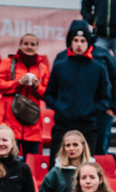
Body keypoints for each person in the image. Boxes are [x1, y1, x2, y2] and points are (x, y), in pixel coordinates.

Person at [44, 21, 110, 160]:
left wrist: (91, 110)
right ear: (70, 42)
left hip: (88, 126)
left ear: (88, 43)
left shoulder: (98, 68)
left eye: (82, 40)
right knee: (56, 166)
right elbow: (49, 93)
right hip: (62, 125)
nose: (79, 44)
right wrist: (59, 107)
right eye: (75, 40)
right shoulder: (60, 66)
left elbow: (105, 98)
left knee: (86, 169)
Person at [0, 34, 49, 158]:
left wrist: (37, 87)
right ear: (20, 45)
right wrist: (18, 83)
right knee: (9, 163)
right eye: (26, 44)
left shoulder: (42, 68)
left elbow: (48, 94)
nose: (29, 47)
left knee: (30, 164)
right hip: (10, 122)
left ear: (37, 46)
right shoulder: (8, 63)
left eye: (32, 44)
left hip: (32, 124)